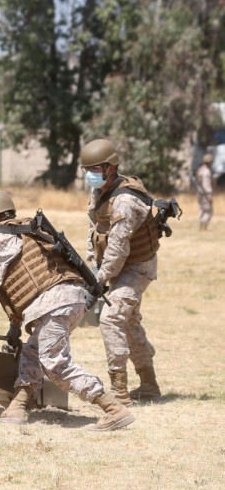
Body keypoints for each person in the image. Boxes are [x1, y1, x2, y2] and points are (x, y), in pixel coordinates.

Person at [0, 190, 134, 431]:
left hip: (54, 304)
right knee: (32, 353)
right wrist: (14, 327)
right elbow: (27, 281)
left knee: (54, 364)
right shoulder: (31, 229)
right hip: (71, 298)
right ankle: (17, 406)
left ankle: (113, 408)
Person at [81, 138, 161, 403]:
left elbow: (118, 249)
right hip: (115, 265)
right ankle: (149, 385)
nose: (89, 174)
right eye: (87, 169)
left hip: (136, 267)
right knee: (128, 320)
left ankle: (119, 392)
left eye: (94, 169)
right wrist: (93, 264)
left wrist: (99, 278)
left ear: (110, 168)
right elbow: (95, 231)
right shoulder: (100, 192)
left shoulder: (125, 201)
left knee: (111, 318)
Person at [196, 152, 214, 231]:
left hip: (199, 193)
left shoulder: (200, 169)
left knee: (201, 210)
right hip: (205, 194)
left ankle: (201, 227)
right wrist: (209, 196)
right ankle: (203, 225)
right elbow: (206, 185)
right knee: (209, 211)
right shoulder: (206, 172)